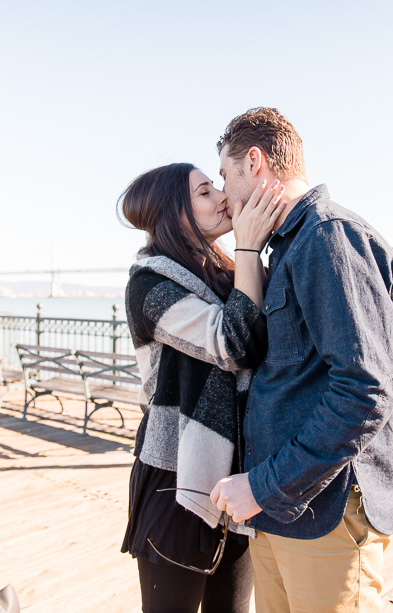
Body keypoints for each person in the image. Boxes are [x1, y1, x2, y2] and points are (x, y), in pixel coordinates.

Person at [210, 108, 393, 612]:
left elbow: (365, 391)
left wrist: (263, 486)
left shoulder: (327, 236)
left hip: (326, 514)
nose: (226, 196)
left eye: (226, 177)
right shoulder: (289, 245)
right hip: (282, 512)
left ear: (254, 162)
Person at [118, 162, 286, 613]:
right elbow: (233, 343)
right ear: (175, 212)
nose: (221, 198)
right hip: (177, 475)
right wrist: (249, 246)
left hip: (238, 478)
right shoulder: (149, 285)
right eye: (205, 192)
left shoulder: (228, 272)